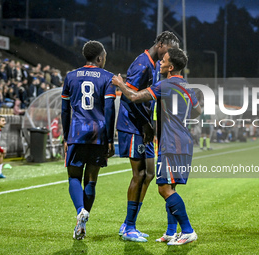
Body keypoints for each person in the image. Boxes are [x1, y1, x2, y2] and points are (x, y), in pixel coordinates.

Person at [113, 47, 201, 245]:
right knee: (171, 186)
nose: (160, 62)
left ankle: (187, 230)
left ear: (171, 67)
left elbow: (134, 97)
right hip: (184, 142)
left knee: (163, 189)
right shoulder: (187, 87)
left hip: (171, 144)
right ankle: (171, 231)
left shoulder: (165, 85)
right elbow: (197, 111)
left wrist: (120, 84)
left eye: (164, 61)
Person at [116, 31, 180, 242]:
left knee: (150, 174)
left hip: (144, 126)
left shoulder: (153, 63)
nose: (169, 56)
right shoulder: (142, 64)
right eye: (169, 50)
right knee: (140, 174)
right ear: (160, 44)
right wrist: (145, 124)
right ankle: (129, 227)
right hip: (133, 125)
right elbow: (129, 98)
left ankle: (128, 223)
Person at [61, 41, 116, 240]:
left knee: (74, 177)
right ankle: (82, 223)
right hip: (98, 133)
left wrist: (66, 136)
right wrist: (110, 138)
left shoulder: (70, 76)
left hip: (76, 131)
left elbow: (65, 110)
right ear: (100, 58)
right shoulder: (108, 77)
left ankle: (80, 211)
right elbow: (109, 110)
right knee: (91, 180)